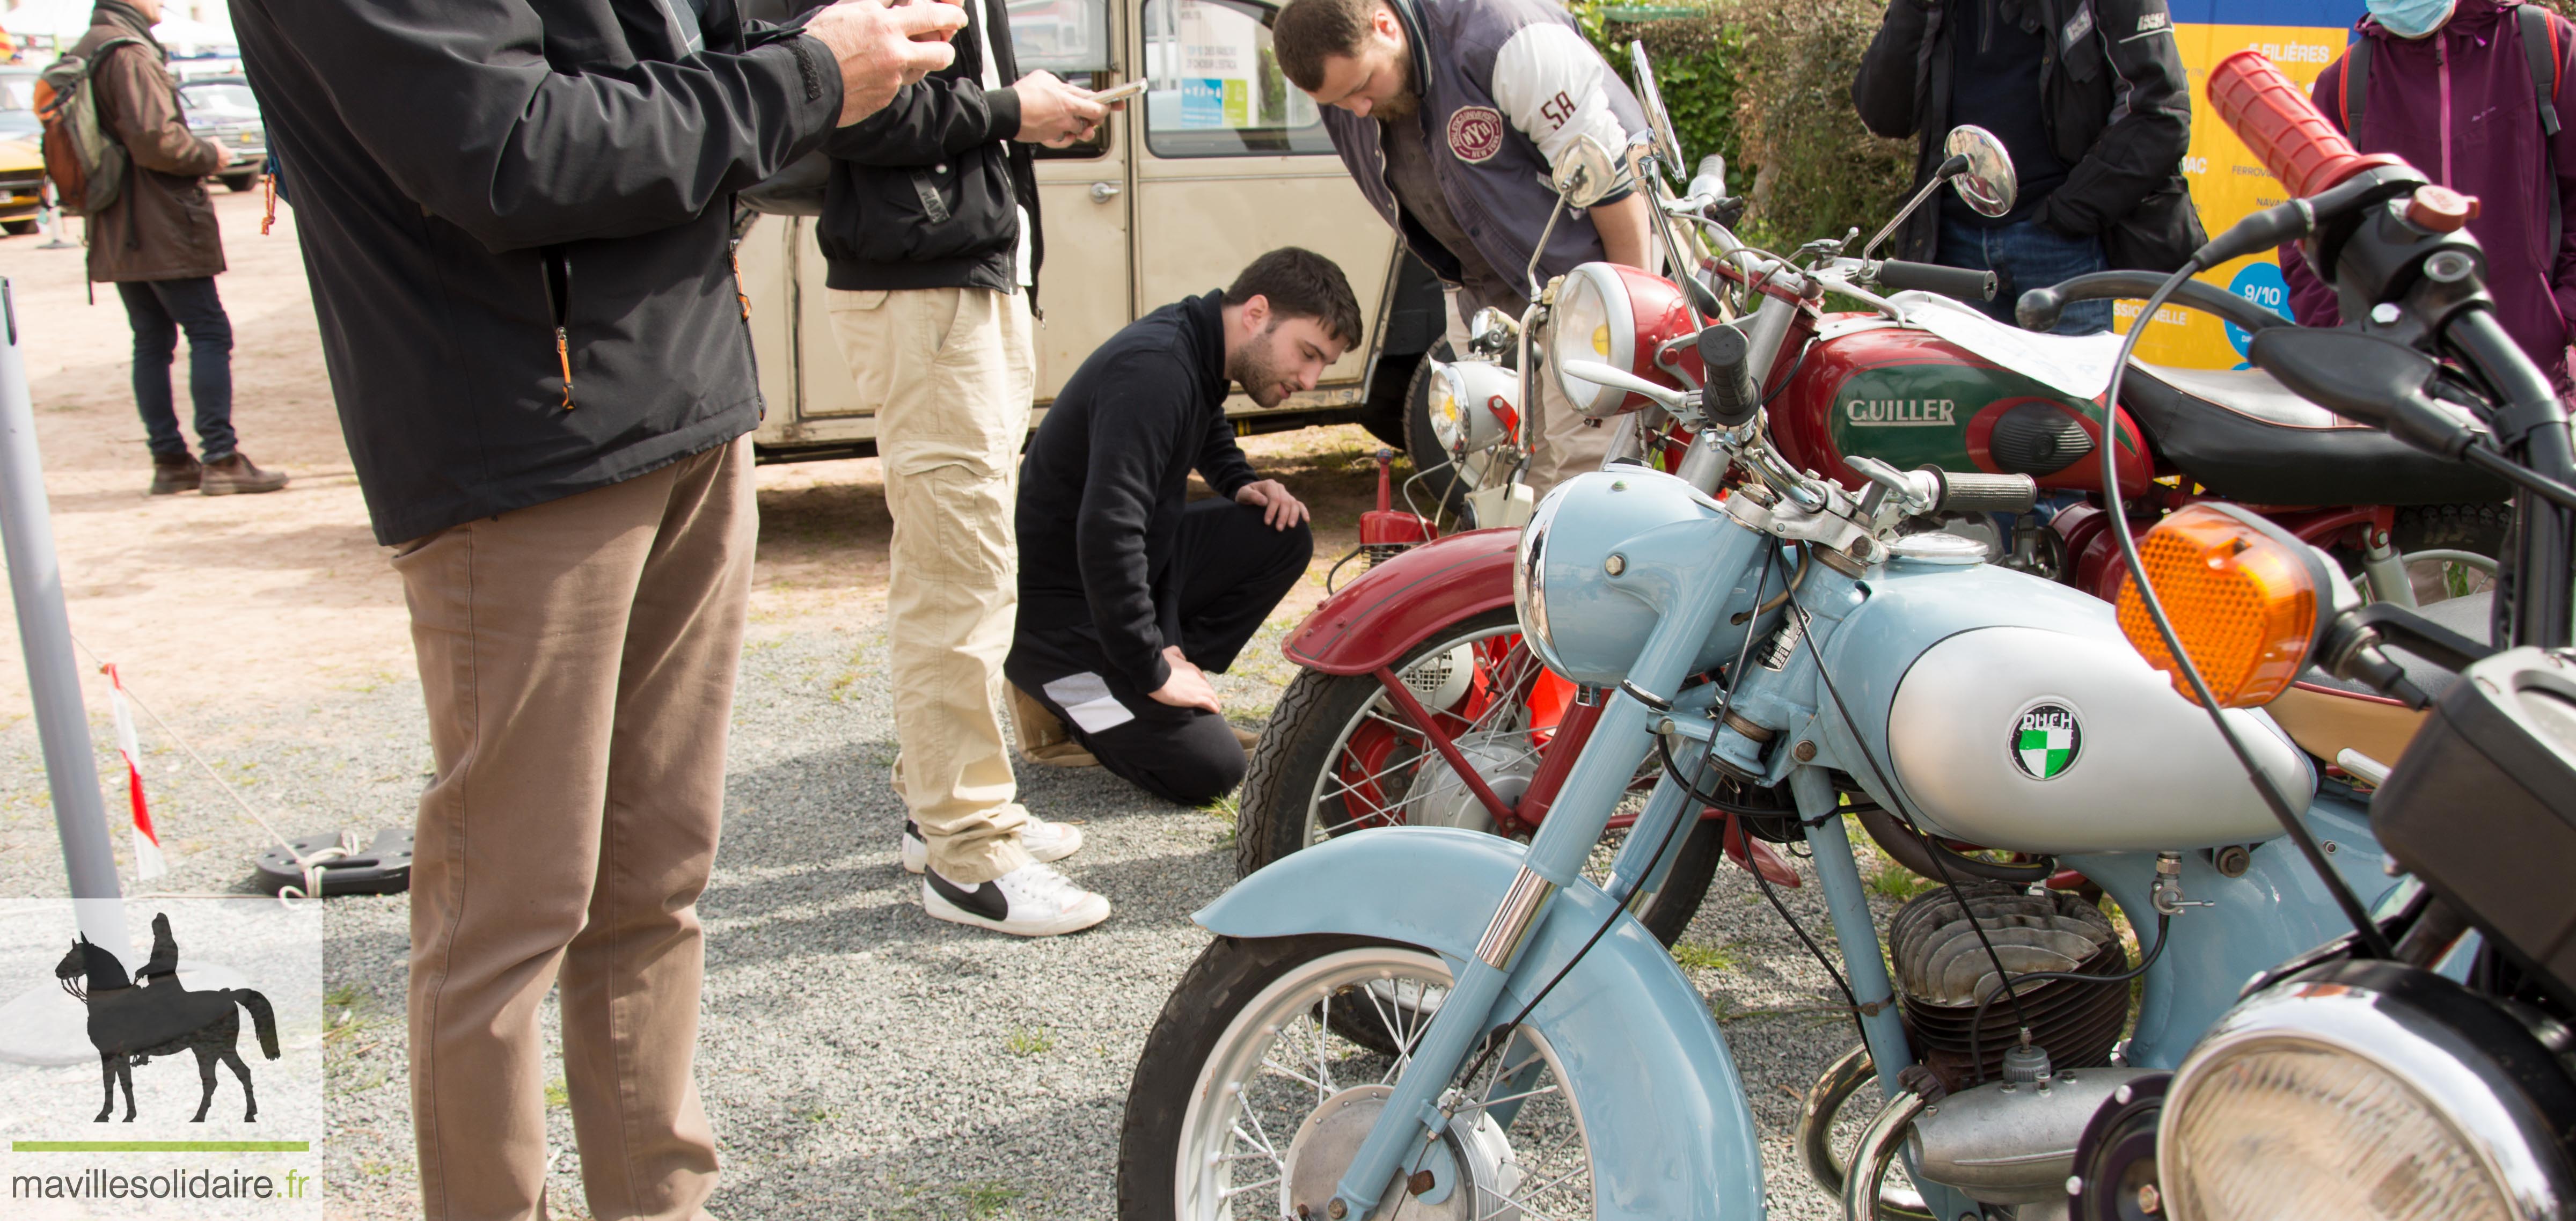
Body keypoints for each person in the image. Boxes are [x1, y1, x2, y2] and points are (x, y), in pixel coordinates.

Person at [230, 2, 965, 1218]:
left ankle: (659, 1201)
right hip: (519, 439)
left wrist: (823, 53)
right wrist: (805, 75)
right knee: (508, 912)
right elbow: (512, 151)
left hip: (680, 400)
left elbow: (699, 54)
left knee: (654, 883)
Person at [814, 0, 1115, 938]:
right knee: (961, 574)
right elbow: (852, 108)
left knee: (962, 561)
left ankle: (935, 801)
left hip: (963, 281)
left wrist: (1019, 113)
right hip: (930, 289)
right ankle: (969, 851)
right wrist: (1010, 111)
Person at [1005, 249, 1349, 818]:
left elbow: (1204, 417)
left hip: (1131, 574)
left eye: (1323, 365)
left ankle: (1158, 672)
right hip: (1055, 618)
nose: (1310, 380)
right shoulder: (1155, 369)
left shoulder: (1196, 344)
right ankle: (1080, 701)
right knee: (1209, 769)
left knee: (1281, 532)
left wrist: (1240, 481)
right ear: (1257, 313)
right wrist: (1151, 667)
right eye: (1308, 354)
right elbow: (1108, 528)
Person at [1272, 0, 1650, 494]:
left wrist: (1628, 320)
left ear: (1384, 26)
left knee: (1586, 475)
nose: (1358, 110)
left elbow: (1617, 185)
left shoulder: (1504, 39)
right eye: (1339, 102)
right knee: (1503, 480)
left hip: (1595, 279)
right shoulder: (1344, 90)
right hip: (1485, 295)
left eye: (1363, 86)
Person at [1852, 0, 2201, 334]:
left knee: (2065, 397)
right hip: (1952, 247)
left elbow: (2160, 112)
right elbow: (1884, 115)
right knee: (1960, 395)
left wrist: (2068, 214)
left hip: (2062, 249)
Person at [2280, 0, 2576, 387]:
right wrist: (2351, 336)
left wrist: (2560, 319)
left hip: (2529, 388)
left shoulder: (2545, 46)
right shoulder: (2345, 81)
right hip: (2394, 399)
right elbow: (2306, 236)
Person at [71, 0, 286, 496]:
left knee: (151, 341)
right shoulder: (128, 54)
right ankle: (220, 458)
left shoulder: (90, 47)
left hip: (114, 223)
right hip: (159, 221)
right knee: (208, 332)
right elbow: (156, 141)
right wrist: (212, 154)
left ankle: (170, 461)